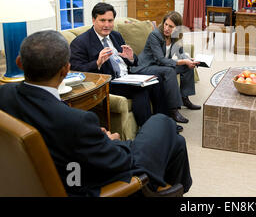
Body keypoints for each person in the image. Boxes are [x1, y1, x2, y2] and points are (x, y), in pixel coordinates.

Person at [0, 30, 192, 196]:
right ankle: (168, 191)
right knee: (162, 122)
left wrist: (94, 139)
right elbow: (119, 162)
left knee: (177, 142)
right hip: (84, 180)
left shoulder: (4, 95)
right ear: (66, 70)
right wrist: (111, 141)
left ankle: (170, 190)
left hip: (60, 168)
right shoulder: (77, 121)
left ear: (19, 63)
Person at [69, 3, 173, 130]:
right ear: (93, 20)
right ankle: (148, 129)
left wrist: (130, 57)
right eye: (102, 20)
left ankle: (165, 123)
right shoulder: (81, 42)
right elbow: (76, 70)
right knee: (141, 89)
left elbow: (132, 61)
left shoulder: (115, 35)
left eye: (110, 21)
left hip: (127, 76)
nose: (107, 25)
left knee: (156, 79)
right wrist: (97, 63)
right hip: (110, 82)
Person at [132, 11, 200, 124]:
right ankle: (173, 110)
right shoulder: (155, 35)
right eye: (166, 24)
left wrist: (189, 59)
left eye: (171, 26)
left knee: (187, 67)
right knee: (170, 71)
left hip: (159, 66)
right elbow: (160, 60)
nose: (167, 28)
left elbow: (180, 53)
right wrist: (183, 61)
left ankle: (185, 98)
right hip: (146, 67)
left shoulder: (176, 37)